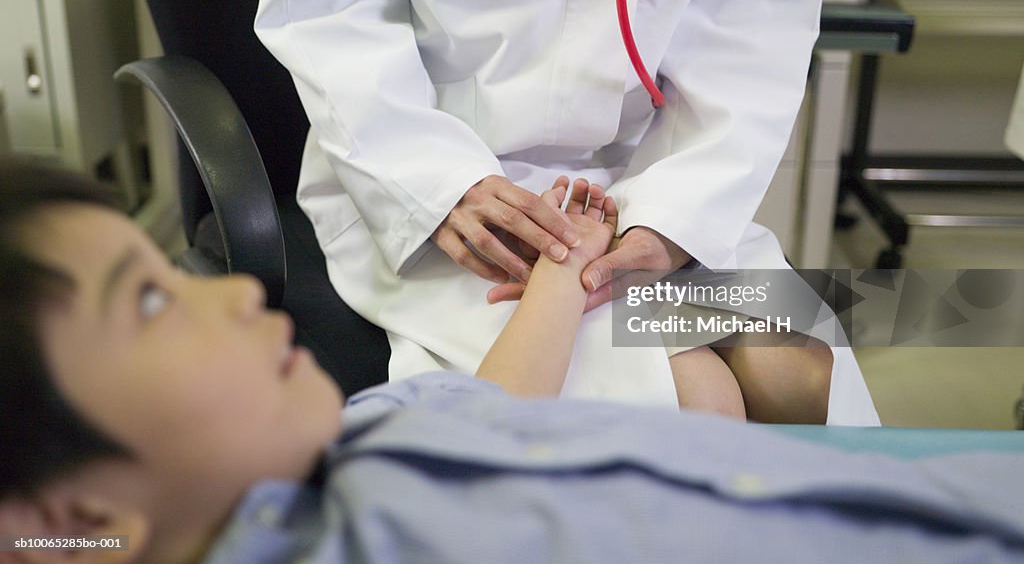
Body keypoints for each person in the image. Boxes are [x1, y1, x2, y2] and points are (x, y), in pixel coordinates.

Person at [2, 160, 1024, 564]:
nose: (230, 289)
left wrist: (581, 259)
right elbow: (328, 16)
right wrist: (459, 191)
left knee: (805, 350)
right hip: (453, 225)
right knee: (707, 395)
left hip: (626, 219)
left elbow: (479, 406)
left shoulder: (357, 431)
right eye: (148, 299)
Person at [254, 0, 878, 423]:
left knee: (803, 377)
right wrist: (438, 185)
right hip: (449, 179)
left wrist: (672, 223)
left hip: (660, 179)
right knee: (693, 398)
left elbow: (754, 15)